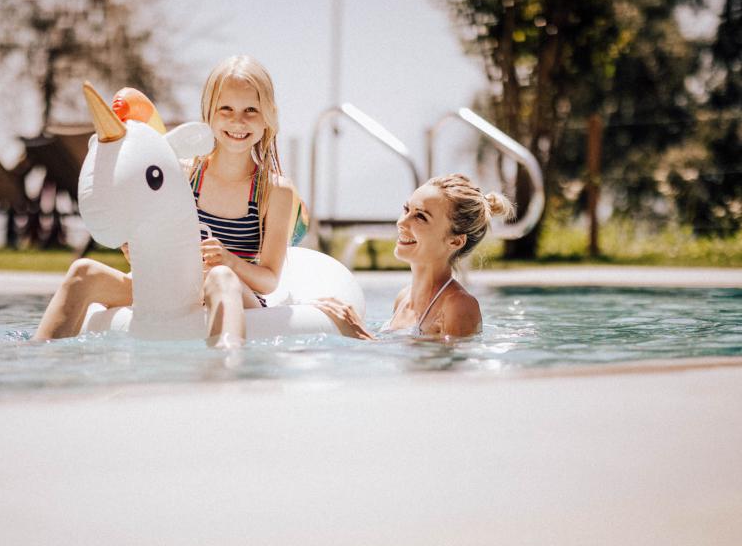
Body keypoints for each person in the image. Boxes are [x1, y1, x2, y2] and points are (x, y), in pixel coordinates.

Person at [33, 55, 296, 347]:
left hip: (232, 292)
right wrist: (137, 247)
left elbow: (270, 279)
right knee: (84, 273)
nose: (238, 120)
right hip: (174, 288)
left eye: (251, 110)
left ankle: (224, 370)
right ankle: (36, 359)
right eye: (226, 109)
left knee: (220, 276)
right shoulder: (181, 172)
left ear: (268, 116)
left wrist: (231, 262)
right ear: (209, 112)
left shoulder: (274, 190)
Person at [314, 174, 514, 339]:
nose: (402, 222)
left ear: (455, 241)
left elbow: (451, 382)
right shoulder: (403, 298)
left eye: (420, 216)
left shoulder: (458, 306)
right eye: (406, 209)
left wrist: (358, 333)